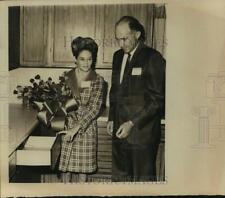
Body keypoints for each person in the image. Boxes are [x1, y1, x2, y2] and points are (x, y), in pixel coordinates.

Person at [107, 16, 166, 182]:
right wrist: (112, 117)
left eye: (125, 39)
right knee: (120, 180)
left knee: (143, 183)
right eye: (118, 39)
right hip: (119, 131)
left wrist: (131, 123)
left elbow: (157, 99)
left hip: (142, 134)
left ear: (137, 34)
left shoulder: (153, 58)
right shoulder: (117, 57)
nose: (121, 44)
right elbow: (115, 90)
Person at [58, 37, 105, 182]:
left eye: (89, 59)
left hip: (86, 128)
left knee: (82, 171)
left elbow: (94, 109)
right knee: (66, 168)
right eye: (82, 59)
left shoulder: (98, 80)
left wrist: (76, 129)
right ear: (76, 60)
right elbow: (61, 101)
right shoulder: (67, 77)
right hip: (68, 125)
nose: (86, 63)